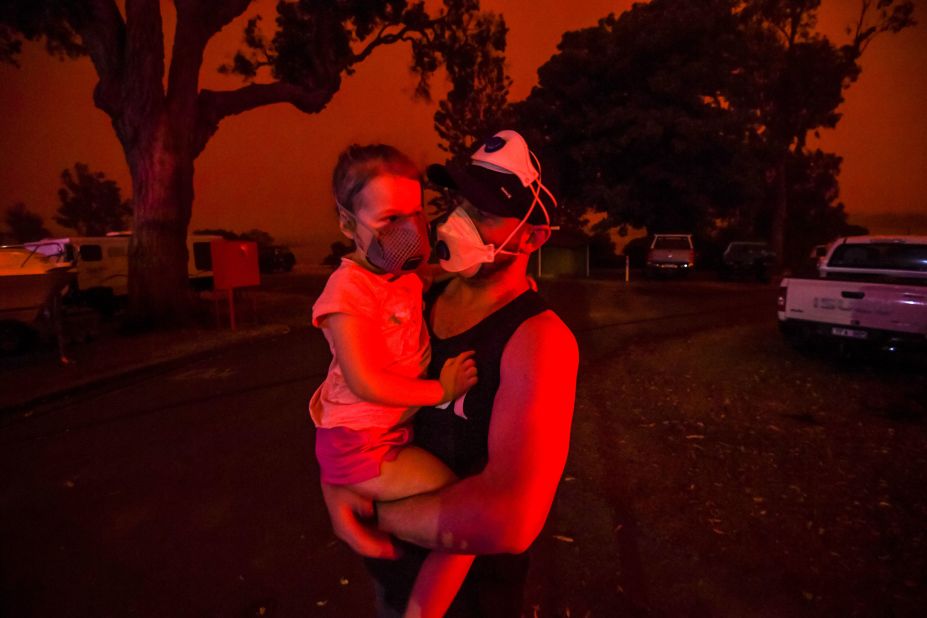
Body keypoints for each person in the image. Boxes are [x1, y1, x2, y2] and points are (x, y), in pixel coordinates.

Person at [321, 130, 579, 617]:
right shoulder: (417, 298)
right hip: (392, 582)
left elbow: (511, 520)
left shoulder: (538, 341)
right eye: (459, 202)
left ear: (532, 235)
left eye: (482, 212)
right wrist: (335, 480)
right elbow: (351, 397)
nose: (457, 221)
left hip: (473, 603)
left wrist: (368, 511)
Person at [310, 144, 483, 617]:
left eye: (414, 215)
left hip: (379, 435)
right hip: (362, 442)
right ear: (348, 224)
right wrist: (440, 392)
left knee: (449, 507)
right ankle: (422, 609)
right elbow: (365, 383)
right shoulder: (346, 293)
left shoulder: (399, 275)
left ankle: (354, 514)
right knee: (461, 507)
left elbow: (430, 289)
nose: (408, 230)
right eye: (389, 220)